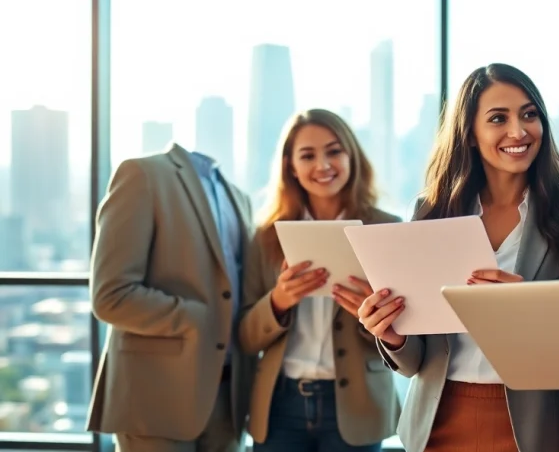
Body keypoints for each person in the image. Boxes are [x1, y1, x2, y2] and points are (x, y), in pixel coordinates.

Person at [347, 63, 559, 452]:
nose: (519, 131)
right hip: (438, 422)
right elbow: (415, 361)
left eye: (529, 115)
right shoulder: (431, 212)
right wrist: (391, 335)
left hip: (534, 427)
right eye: (499, 118)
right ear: (471, 135)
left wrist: (531, 310)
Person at [238, 109, 401, 452]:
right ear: (290, 167)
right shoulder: (267, 237)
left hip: (357, 405)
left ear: (351, 156)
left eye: (334, 151)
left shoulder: (387, 228)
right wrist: (279, 301)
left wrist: (370, 314)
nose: (323, 165)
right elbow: (245, 337)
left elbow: (408, 336)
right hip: (280, 405)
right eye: (308, 155)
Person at [89, 143, 256, 452]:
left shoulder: (240, 197)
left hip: (229, 400)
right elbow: (111, 295)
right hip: (157, 396)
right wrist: (198, 318)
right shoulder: (142, 175)